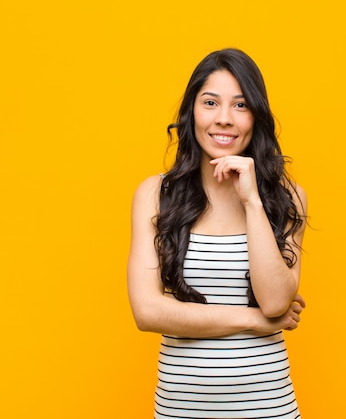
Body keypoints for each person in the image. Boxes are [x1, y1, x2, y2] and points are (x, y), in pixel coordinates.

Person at [127, 48, 307, 419]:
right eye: (211, 102)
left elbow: (274, 301)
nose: (224, 119)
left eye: (240, 106)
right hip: (181, 409)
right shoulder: (154, 195)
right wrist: (254, 320)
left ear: (256, 117)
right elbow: (147, 312)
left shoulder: (286, 198)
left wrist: (253, 201)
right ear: (192, 110)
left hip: (267, 407)